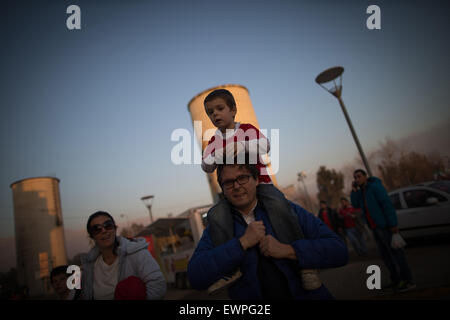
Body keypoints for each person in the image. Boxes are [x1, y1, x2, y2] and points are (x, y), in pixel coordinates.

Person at [187, 162, 348, 300]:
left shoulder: (287, 211)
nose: (236, 186)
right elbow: (195, 277)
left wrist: (289, 250)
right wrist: (241, 244)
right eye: (228, 183)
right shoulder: (218, 228)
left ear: (257, 180)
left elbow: (339, 251)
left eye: (242, 178)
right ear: (223, 189)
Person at [201, 89, 305, 250]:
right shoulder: (214, 141)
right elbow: (205, 166)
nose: (215, 114)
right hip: (231, 193)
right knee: (216, 215)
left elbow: (266, 146)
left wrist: (243, 145)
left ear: (233, 110)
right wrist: (217, 155)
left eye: (220, 109)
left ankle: (296, 252)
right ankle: (230, 264)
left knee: (279, 204)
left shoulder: (247, 129)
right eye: (210, 112)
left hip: (262, 184)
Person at [350, 169, 416, 292]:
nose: (357, 179)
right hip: (374, 228)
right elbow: (355, 205)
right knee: (386, 256)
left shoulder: (375, 187)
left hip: (385, 226)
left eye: (359, 176)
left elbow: (387, 205)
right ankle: (396, 280)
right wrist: (354, 191)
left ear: (365, 177)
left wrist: (393, 224)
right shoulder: (361, 192)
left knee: (397, 255)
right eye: (355, 178)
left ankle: (408, 281)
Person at [80, 211, 166, 300]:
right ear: (92, 236)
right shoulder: (89, 266)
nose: (104, 231)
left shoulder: (136, 252)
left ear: (115, 228)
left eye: (108, 225)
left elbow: (158, 285)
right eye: (96, 229)